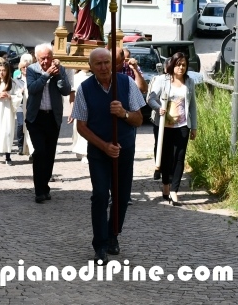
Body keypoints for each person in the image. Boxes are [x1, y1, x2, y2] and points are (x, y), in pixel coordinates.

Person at [73, 47, 146, 264]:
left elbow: (139, 119)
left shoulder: (126, 83)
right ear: (91, 67)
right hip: (99, 151)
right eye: (98, 64)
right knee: (100, 196)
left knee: (121, 196)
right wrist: (104, 146)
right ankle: (100, 244)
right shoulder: (84, 89)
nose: (104, 67)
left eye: (107, 62)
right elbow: (81, 126)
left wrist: (123, 113)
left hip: (124, 149)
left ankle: (114, 234)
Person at [147, 51, 197, 205]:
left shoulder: (189, 82)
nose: (181, 68)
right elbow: (150, 98)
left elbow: (193, 105)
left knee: (179, 157)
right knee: (166, 156)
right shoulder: (163, 80)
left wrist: (194, 126)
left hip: (182, 125)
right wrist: (158, 108)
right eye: (178, 64)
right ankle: (166, 185)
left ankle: (175, 191)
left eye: (184, 65)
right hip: (164, 125)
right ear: (172, 65)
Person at [26, 43, 71, 203]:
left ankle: (45, 187)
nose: (46, 61)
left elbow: (65, 90)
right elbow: (32, 88)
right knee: (40, 152)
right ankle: (39, 190)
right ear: (37, 58)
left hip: (52, 117)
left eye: (48, 57)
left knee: (50, 154)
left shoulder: (60, 69)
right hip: (36, 118)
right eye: (42, 58)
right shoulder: (32, 70)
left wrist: (58, 75)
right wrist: (46, 75)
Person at [0, 60, 24, 165]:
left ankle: (8, 155)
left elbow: (18, 96)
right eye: (0, 70)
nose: (1, 73)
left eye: (4, 70)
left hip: (7, 110)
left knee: (7, 132)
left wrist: (9, 96)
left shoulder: (13, 83)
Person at [68, 67, 92, 163]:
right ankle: (80, 151)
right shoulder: (76, 77)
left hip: (91, 107)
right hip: (79, 107)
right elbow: (72, 95)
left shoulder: (94, 77)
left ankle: (86, 153)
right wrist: (72, 110)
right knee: (78, 131)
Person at [13, 53, 33, 155]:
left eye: (27, 67)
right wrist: (19, 92)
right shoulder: (16, 80)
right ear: (20, 68)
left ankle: (28, 146)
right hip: (20, 105)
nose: (25, 69)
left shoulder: (33, 79)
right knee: (21, 124)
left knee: (30, 125)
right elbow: (13, 93)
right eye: (23, 67)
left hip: (30, 105)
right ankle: (20, 145)